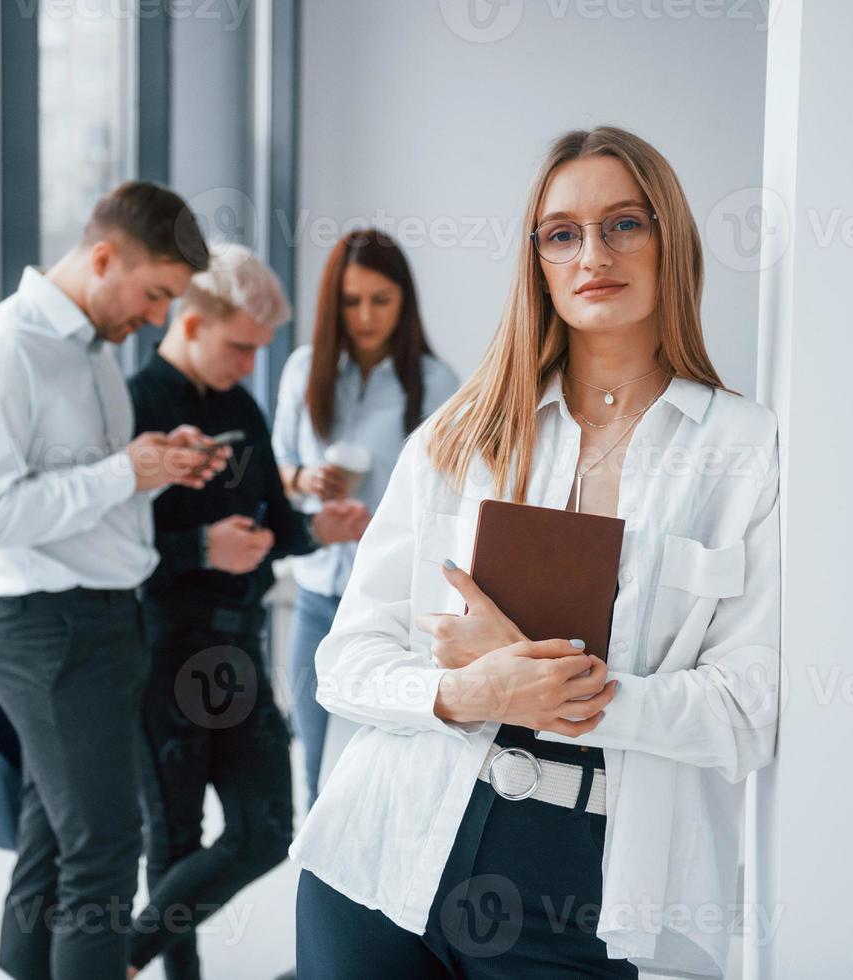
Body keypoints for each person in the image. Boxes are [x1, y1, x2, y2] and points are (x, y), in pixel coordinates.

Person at [289, 126, 782, 979]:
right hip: (380, 851)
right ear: (538, 262)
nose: (593, 252)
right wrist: (468, 690)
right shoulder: (459, 436)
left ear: (670, 238)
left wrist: (555, 693)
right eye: (562, 233)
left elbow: (746, 711)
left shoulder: (743, 448)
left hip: (580, 891)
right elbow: (346, 662)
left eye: (624, 224)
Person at [0, 181, 233, 980]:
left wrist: (154, 464)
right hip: (50, 633)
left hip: (104, 625)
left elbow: (90, 488)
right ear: (103, 258)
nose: (157, 318)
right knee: (105, 850)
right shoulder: (4, 349)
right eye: (154, 294)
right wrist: (117, 475)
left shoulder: (95, 355)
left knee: (54, 839)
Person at [124, 243, 369, 980]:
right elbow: (109, 548)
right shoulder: (136, 405)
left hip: (239, 648)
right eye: (239, 347)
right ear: (190, 320)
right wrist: (200, 546)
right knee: (173, 842)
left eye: (260, 350)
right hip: (161, 645)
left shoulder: (241, 405)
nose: (248, 363)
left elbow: (267, 526)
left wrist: (313, 530)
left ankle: (123, 957)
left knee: (266, 831)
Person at [270, 229, 459, 808]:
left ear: (404, 301)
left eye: (381, 299)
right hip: (317, 598)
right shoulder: (304, 371)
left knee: (379, 775)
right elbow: (275, 466)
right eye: (352, 302)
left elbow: (448, 502)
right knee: (314, 773)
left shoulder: (435, 385)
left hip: (392, 607)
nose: (366, 315)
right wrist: (305, 481)